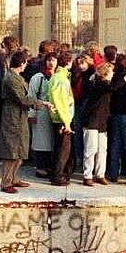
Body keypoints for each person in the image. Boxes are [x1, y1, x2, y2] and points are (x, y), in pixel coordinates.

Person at [0, 51, 51, 194]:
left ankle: (14, 178)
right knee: (11, 151)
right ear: (21, 63)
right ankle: (6, 182)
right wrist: (42, 103)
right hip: (12, 117)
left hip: (19, 116)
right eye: (25, 62)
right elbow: (22, 99)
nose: (26, 65)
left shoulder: (16, 77)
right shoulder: (11, 79)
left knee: (19, 149)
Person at [48, 53, 76, 186]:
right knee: (63, 149)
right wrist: (67, 122)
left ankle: (57, 173)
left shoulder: (59, 77)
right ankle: (58, 176)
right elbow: (61, 103)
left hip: (59, 118)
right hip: (62, 119)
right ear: (69, 63)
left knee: (60, 147)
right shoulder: (61, 79)